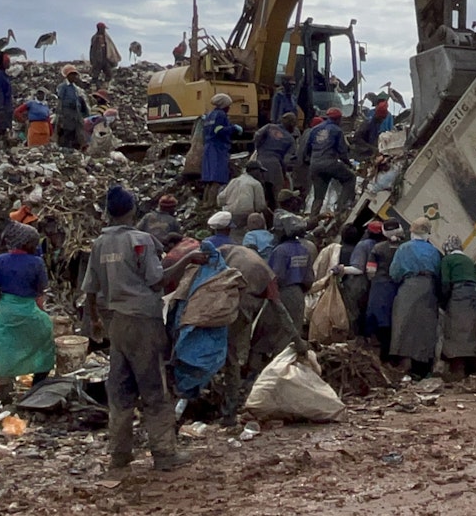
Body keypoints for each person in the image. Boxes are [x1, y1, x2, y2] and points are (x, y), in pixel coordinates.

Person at [83, 185, 197, 472]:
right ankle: (164, 453)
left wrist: (95, 321)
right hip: (144, 321)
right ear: (132, 210)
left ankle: (119, 455)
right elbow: (157, 280)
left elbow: (90, 290)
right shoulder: (141, 241)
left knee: (120, 389)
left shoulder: (100, 244)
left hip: (116, 324)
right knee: (154, 388)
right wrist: (187, 260)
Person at [218, 241, 306, 423]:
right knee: (232, 355)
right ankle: (230, 408)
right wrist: (298, 340)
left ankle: (221, 405)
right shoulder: (266, 272)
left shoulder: (229, 253)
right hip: (241, 307)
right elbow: (279, 308)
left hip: (220, 302)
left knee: (224, 353)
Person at [0, 220, 56, 404]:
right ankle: (38, 385)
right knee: (44, 342)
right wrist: (43, 314)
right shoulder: (36, 262)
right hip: (28, 309)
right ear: (27, 243)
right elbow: (40, 295)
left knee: (5, 349)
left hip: (6, 310)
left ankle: (5, 388)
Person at [388, 218, 442, 378]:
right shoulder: (434, 251)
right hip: (428, 288)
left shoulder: (404, 248)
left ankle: (404, 363)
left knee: (403, 324)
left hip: (408, 287)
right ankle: (422, 366)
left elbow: (394, 272)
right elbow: (439, 273)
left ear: (412, 231)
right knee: (424, 327)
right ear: (428, 233)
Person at [439, 237, 476, 377]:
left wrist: (443, 303)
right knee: (470, 328)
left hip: (458, 294)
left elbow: (445, 282)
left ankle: (458, 368)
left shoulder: (447, 260)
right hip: (474, 294)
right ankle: (470, 364)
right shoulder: (469, 260)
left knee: (456, 328)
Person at [365, 219, 405, 361]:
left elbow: (370, 270)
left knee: (377, 318)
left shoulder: (378, 248)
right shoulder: (405, 247)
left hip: (380, 286)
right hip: (400, 287)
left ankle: (377, 352)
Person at [266, 215, 314, 334]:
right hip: (299, 294)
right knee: (295, 331)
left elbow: (277, 276)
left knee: (279, 333)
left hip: (283, 294)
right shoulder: (304, 249)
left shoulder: (280, 250)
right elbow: (309, 279)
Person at [306, 108, 355, 216]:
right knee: (350, 178)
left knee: (318, 197)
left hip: (315, 165)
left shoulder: (314, 129)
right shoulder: (337, 130)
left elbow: (307, 150)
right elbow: (342, 153)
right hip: (330, 164)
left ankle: (312, 219)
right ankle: (341, 210)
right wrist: (350, 165)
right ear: (338, 119)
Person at [337, 220, 380, 341]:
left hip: (357, 284)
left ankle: (351, 338)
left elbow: (358, 268)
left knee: (352, 312)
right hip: (372, 285)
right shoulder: (380, 245)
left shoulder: (363, 245)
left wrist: (341, 269)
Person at [200, 93, 238, 204]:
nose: (229, 108)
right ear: (224, 105)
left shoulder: (210, 115)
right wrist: (233, 128)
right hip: (218, 148)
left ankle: (205, 203)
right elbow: (219, 130)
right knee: (217, 178)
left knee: (209, 180)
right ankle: (211, 204)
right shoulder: (221, 115)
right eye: (228, 106)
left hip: (208, 147)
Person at [253, 113, 296, 205]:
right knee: (278, 192)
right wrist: (284, 173)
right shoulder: (290, 139)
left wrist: (258, 148)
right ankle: (278, 212)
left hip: (259, 161)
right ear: (292, 124)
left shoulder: (269, 127)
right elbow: (286, 160)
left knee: (259, 189)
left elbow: (257, 136)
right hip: (275, 165)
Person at [218, 161, 268, 240]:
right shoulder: (256, 184)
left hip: (230, 215)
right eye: (260, 172)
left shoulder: (234, 181)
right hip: (246, 216)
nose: (261, 175)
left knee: (235, 237)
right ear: (254, 171)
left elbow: (220, 200)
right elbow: (260, 206)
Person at [55, 65, 90, 149]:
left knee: (76, 134)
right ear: (67, 76)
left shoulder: (75, 88)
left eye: (75, 75)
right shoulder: (63, 87)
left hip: (75, 115)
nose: (74, 77)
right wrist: (60, 116)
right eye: (72, 75)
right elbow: (60, 101)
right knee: (67, 133)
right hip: (67, 114)